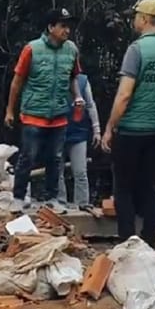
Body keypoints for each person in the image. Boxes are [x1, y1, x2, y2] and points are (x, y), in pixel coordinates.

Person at [101, 0, 155, 246]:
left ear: (146, 19)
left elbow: (125, 94)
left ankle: (128, 243)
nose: (133, 20)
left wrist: (110, 128)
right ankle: (149, 240)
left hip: (131, 130)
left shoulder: (137, 50)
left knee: (124, 188)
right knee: (150, 187)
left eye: (136, 16)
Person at [4, 8, 85, 213]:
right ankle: (19, 197)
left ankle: (52, 198)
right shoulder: (32, 49)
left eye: (68, 26)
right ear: (51, 27)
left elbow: (73, 77)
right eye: (62, 25)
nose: (67, 30)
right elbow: (17, 81)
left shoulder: (71, 50)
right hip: (33, 113)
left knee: (55, 158)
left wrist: (77, 96)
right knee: (27, 157)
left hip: (59, 114)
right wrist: (10, 110)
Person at [57, 72, 102, 209]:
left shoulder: (82, 80)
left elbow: (90, 104)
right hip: (56, 132)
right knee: (56, 173)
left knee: (80, 172)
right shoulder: (53, 76)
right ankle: (60, 205)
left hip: (79, 133)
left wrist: (96, 129)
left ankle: (82, 205)